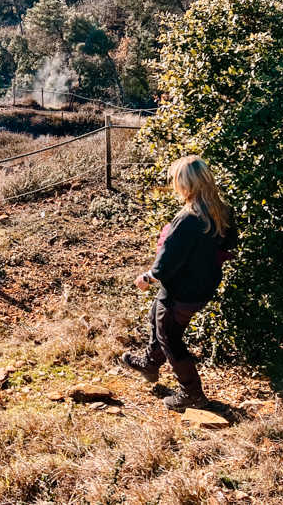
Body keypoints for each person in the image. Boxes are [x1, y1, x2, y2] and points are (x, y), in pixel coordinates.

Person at [122, 155, 237, 411]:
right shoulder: (221, 210)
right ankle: (150, 364)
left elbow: (165, 264)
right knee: (156, 317)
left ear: (186, 184)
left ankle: (192, 393)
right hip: (202, 285)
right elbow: (229, 245)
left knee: (170, 337)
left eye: (177, 181)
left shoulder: (188, 219)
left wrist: (147, 278)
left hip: (182, 290)